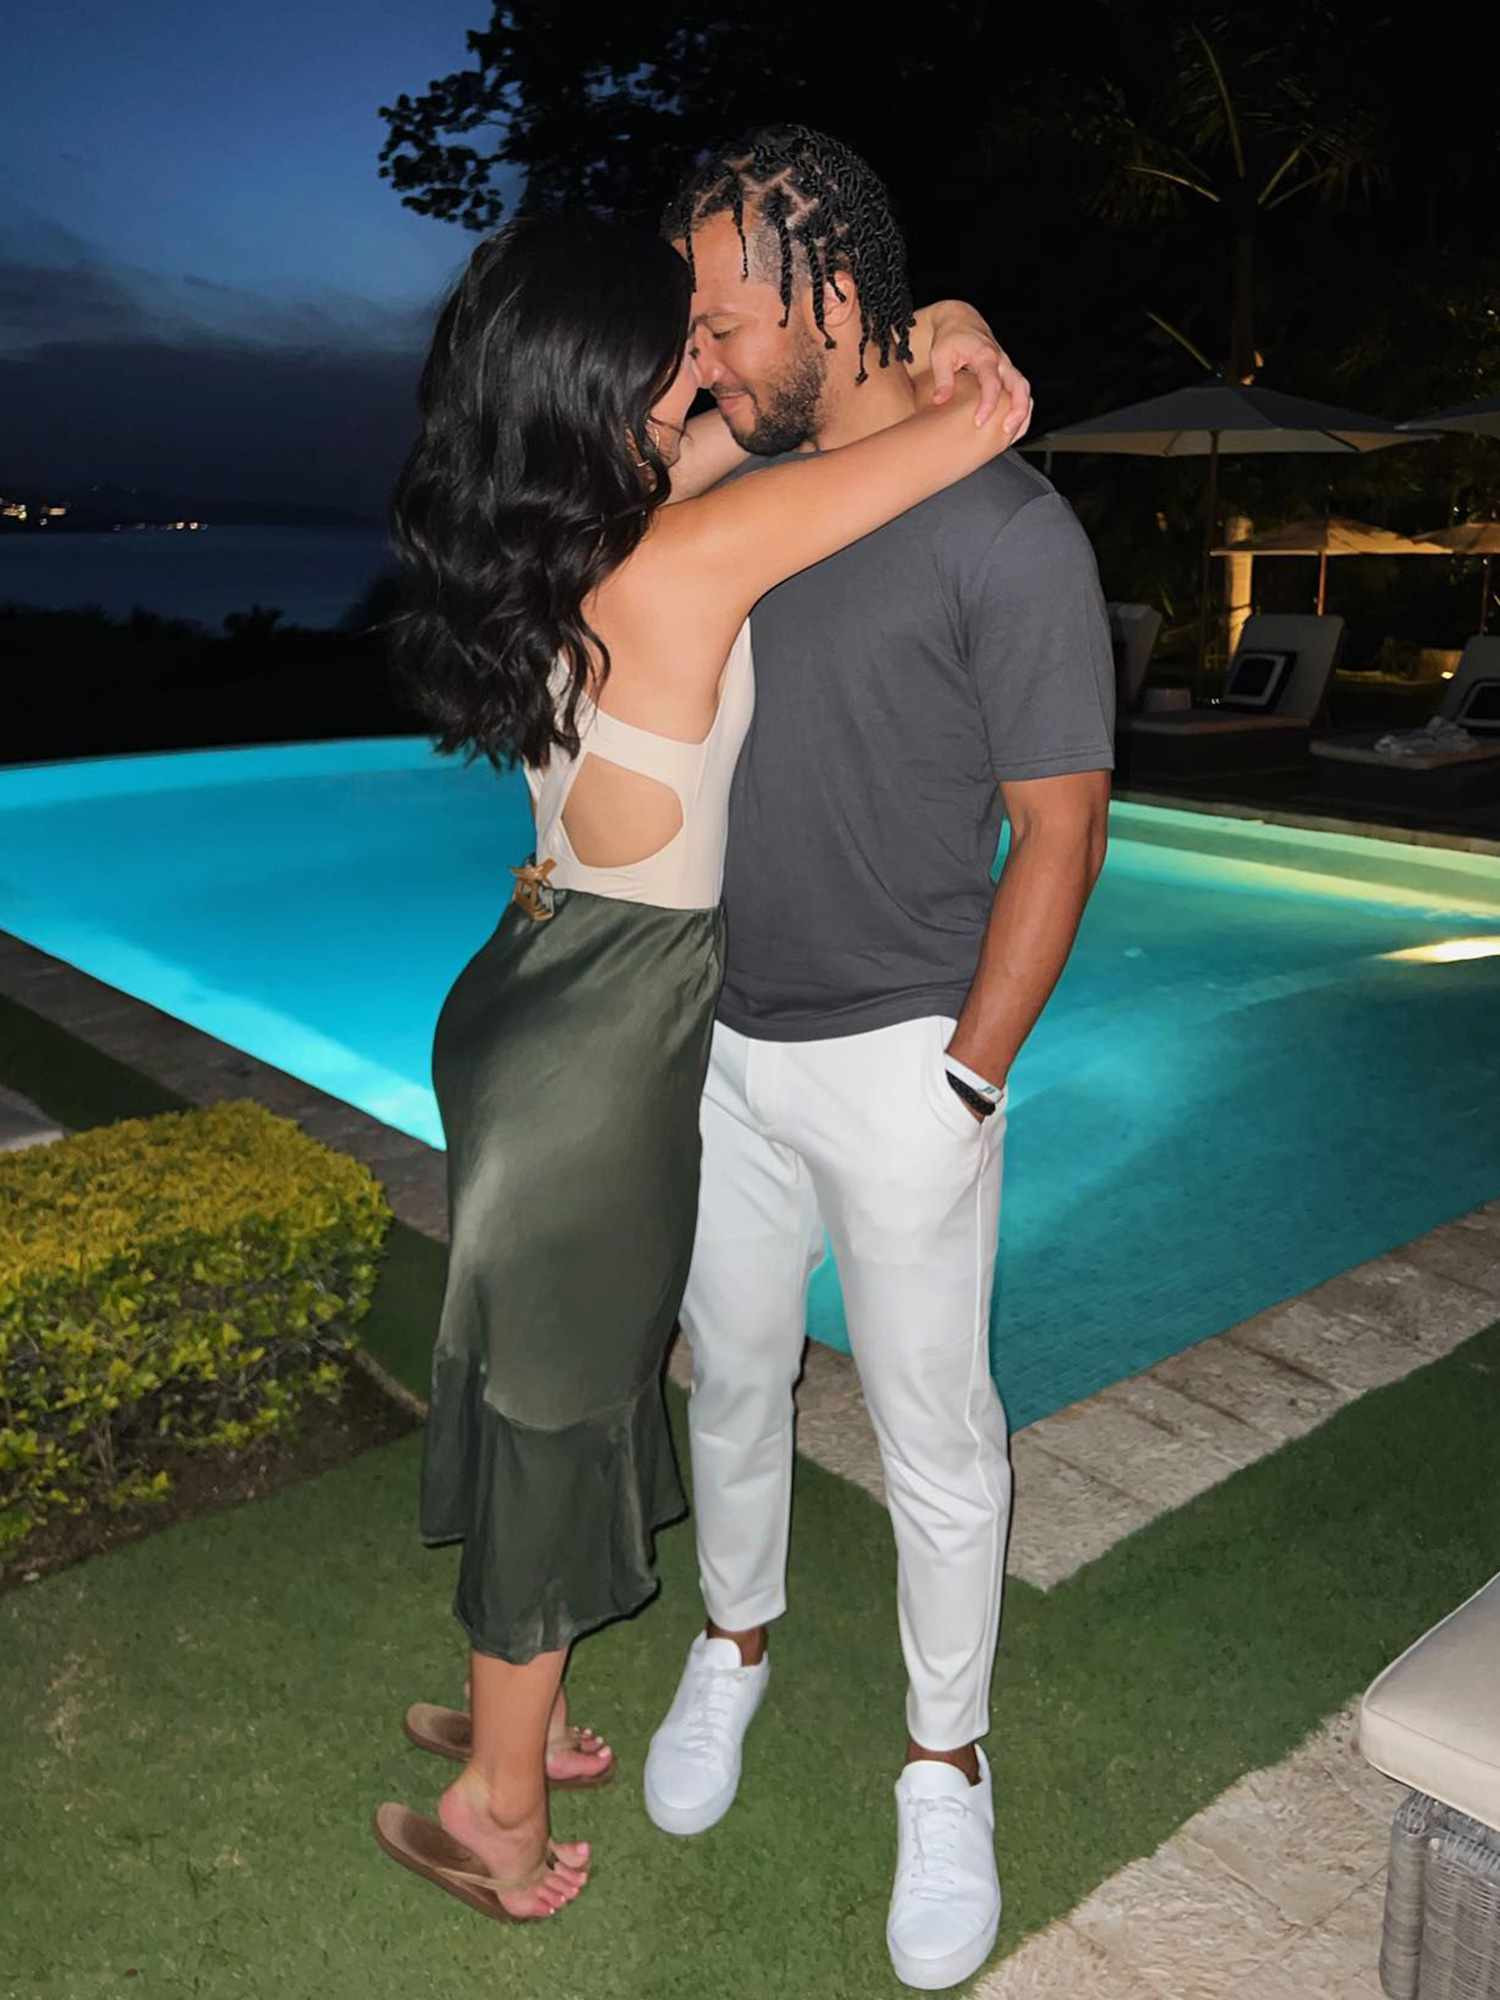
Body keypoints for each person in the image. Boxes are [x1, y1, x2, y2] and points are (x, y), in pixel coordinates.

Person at [373, 206, 1030, 1927]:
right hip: (599, 1040)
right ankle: (493, 1806)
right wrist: (960, 348)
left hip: (532, 985)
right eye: (678, 344)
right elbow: (959, 427)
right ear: (609, 382)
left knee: (541, 1371)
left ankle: (521, 1709)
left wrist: (940, 300)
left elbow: (818, 389)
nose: (708, 362)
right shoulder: (684, 553)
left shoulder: (579, 522)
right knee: (565, 1403)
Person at [641, 127, 1115, 1991]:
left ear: (837, 297)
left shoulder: (1007, 524)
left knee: (937, 1441)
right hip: (725, 1045)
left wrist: (969, 1079)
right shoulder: (751, 495)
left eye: (726, 315)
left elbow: (1061, 828)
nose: (703, 349)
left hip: (905, 1054)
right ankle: (733, 1643)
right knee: (731, 1384)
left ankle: (946, 1762)